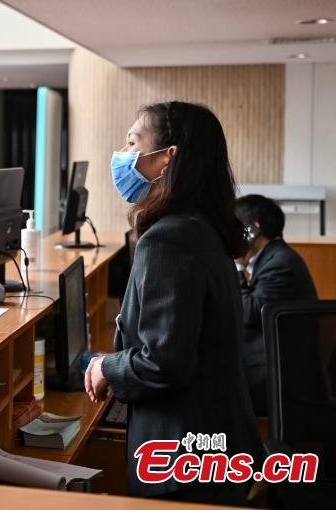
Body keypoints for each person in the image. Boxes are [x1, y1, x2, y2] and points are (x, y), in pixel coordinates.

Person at [85, 101, 263, 505]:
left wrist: (106, 367)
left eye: (133, 143)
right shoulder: (202, 228)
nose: (122, 155)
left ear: (167, 157)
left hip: (183, 458)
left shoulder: (170, 239)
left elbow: (164, 363)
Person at [234, 194, 317, 414]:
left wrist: (237, 267)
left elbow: (249, 312)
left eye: (235, 225)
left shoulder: (280, 263)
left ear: (254, 228)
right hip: (269, 367)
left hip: (277, 377)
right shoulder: (273, 258)